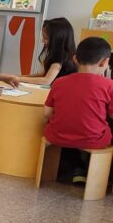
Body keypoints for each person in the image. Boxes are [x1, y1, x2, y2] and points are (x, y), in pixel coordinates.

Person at [43, 36, 113, 183]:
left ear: (75, 59)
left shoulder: (59, 82)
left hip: (56, 136)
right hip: (94, 140)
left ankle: (75, 169)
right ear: (105, 62)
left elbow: (46, 113)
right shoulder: (109, 85)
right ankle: (99, 178)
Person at [20, 17, 77, 85]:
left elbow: (46, 81)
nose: (43, 41)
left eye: (45, 38)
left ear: (58, 40)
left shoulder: (60, 57)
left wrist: (18, 79)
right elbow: (44, 74)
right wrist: (18, 77)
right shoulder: (65, 55)